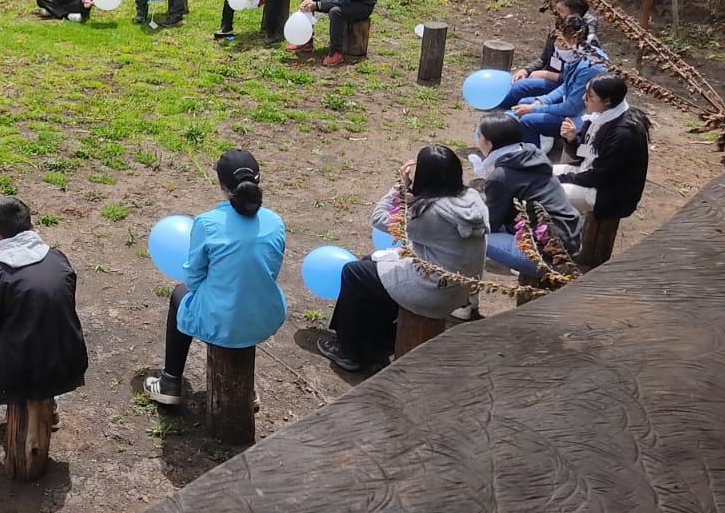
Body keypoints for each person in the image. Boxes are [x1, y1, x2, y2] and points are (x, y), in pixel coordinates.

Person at [315, 146, 488, 372]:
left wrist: (400, 186)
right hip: (460, 287)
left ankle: (348, 350)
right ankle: (379, 341)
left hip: (434, 291)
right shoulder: (472, 199)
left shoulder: (429, 212)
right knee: (370, 266)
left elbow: (378, 218)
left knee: (354, 272)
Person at [144, 149, 286, 406]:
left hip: (223, 319)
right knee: (244, 298)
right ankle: (245, 391)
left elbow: (195, 278)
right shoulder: (275, 221)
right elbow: (271, 269)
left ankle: (170, 382)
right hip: (266, 315)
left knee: (180, 294)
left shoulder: (207, 223)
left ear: (221, 184)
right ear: (258, 179)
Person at [0, 197, 87, 444]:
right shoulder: (58, 259)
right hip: (68, 362)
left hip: (18, 372)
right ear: (31, 226)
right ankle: (52, 406)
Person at [474, 112, 581, 277]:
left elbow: (491, 224)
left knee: (473, 237)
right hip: (571, 236)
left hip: (548, 256)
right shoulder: (532, 152)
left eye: (479, 135)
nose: (477, 139)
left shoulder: (502, 175)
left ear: (489, 142)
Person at [556, 73, 650, 230]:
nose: (583, 99)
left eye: (590, 97)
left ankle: (558, 238)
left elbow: (601, 176)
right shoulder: (599, 116)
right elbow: (584, 154)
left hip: (609, 193)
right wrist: (572, 139)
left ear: (607, 101)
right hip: (588, 173)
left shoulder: (623, 134)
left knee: (546, 192)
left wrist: (562, 179)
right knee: (541, 170)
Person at [510, 16, 606, 147]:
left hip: (580, 119)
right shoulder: (577, 56)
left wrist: (534, 109)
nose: (557, 46)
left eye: (561, 41)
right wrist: (541, 101)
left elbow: (572, 108)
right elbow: (565, 86)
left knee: (528, 120)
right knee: (525, 103)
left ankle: (533, 162)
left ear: (574, 39)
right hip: (572, 105)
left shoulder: (589, 68)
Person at [512, 0, 599, 90]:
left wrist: (547, 75)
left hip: (565, 85)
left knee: (520, 87)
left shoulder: (587, 42)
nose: (555, 14)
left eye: (560, 11)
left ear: (574, 15)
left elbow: (580, 77)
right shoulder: (556, 30)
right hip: (548, 75)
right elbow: (544, 59)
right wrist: (526, 70)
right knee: (516, 80)